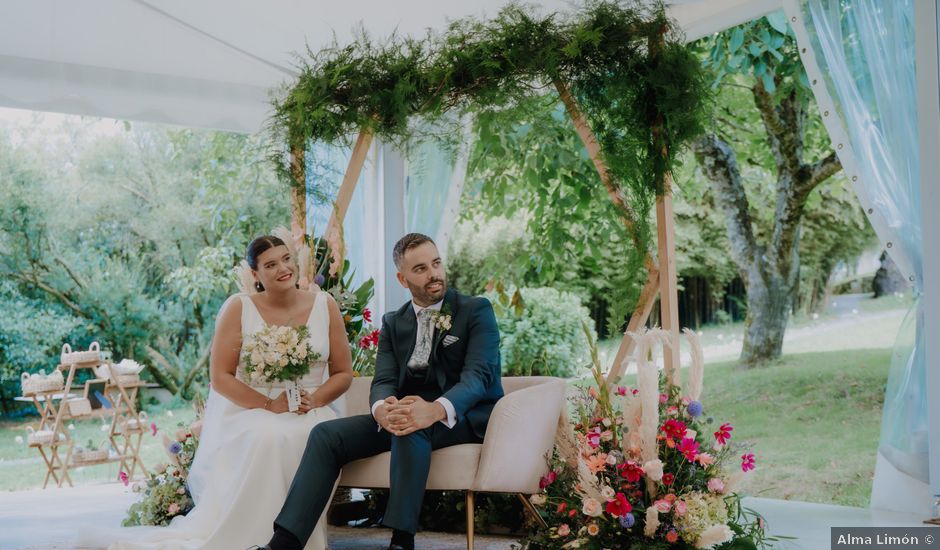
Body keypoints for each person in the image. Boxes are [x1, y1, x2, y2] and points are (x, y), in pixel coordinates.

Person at [79, 235, 353, 550]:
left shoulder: (324, 305)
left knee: (307, 434)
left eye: (286, 258)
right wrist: (269, 404)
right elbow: (220, 377)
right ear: (255, 275)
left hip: (310, 406)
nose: (283, 268)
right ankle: (258, 537)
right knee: (268, 437)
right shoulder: (239, 307)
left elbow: (343, 373)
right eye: (270, 264)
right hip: (253, 408)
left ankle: (295, 539)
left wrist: (315, 399)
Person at [257, 233, 503, 550]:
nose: (434, 274)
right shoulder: (393, 322)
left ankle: (402, 542)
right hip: (405, 414)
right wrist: (381, 409)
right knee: (326, 435)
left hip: (462, 416)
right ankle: (284, 544)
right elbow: (383, 380)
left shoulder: (475, 311)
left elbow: (478, 378)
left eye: (436, 263)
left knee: (411, 426)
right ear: (402, 278)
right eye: (421, 269)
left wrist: (434, 409)